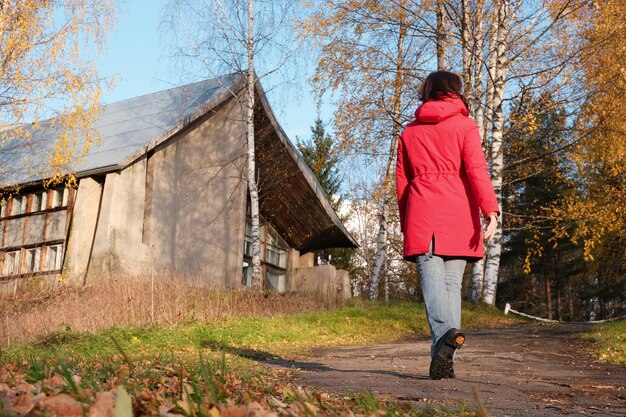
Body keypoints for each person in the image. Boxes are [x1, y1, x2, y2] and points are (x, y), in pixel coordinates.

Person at [396, 70, 499, 380]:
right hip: (460, 213)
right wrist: (490, 210)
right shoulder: (466, 126)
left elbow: (402, 184)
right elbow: (478, 170)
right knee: (451, 285)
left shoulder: (409, 133)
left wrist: (406, 223)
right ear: (455, 91)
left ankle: (444, 338)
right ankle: (445, 357)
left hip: (423, 213)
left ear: (428, 92)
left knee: (432, 279)